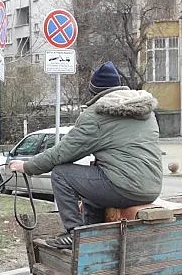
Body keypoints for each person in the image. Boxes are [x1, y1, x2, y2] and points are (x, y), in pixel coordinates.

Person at [9, 61, 163, 249]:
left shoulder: (98, 115)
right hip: (152, 187)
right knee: (92, 180)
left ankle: (73, 233)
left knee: (61, 174)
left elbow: (62, 153)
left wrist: (27, 166)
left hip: (125, 187)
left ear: (94, 92)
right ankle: (93, 234)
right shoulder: (146, 111)